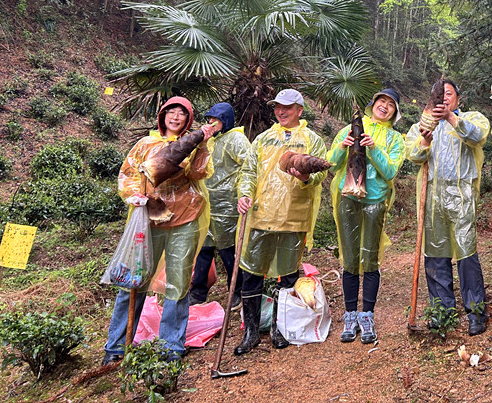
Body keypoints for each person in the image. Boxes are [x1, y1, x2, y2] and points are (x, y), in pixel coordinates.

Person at [103, 96, 219, 364]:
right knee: (134, 280)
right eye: (171, 112)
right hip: (149, 219)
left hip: (184, 217)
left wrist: (201, 144)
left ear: (188, 119)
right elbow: (128, 173)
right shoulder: (145, 143)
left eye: (181, 113)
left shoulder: (192, 144)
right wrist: (133, 194)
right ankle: (116, 347)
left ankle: (171, 348)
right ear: (162, 115)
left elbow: (200, 174)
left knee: (178, 285)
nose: (175, 117)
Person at [233, 89, 327, 354]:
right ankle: (251, 330)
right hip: (260, 215)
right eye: (277, 107)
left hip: (292, 217)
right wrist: (244, 194)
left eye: (287, 107)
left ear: (299, 109)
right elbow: (249, 170)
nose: (280, 111)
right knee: (251, 272)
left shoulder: (312, 140)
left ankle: (280, 327)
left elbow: (319, 176)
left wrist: (306, 178)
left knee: (286, 275)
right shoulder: (263, 138)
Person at [405, 79, 490, 336]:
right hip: (432, 197)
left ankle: (476, 311)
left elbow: (478, 137)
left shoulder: (472, 117)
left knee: (466, 253)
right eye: (439, 95)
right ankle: (442, 311)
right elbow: (412, 155)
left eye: (449, 94)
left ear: (457, 100)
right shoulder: (421, 125)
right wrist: (424, 142)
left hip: (461, 194)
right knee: (435, 253)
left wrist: (453, 120)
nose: (444, 99)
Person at [328, 88, 405, 345]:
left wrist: (373, 149)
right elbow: (332, 162)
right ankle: (350, 314)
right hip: (348, 199)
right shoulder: (350, 127)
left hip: (375, 201)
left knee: (370, 258)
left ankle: (367, 314)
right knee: (350, 257)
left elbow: (390, 171)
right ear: (373, 103)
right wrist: (342, 146)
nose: (384, 106)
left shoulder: (395, 139)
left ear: (394, 112)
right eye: (381, 101)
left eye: (390, 105)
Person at [188, 103, 251, 310]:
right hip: (207, 204)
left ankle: (237, 292)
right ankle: (198, 292)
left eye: (216, 119)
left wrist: (242, 194)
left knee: (228, 250)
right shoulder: (210, 140)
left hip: (228, 205)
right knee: (204, 250)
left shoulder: (236, 139)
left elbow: (249, 166)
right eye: (209, 119)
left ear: (226, 120)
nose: (211, 123)